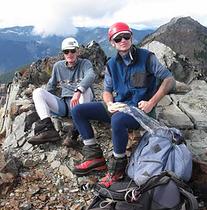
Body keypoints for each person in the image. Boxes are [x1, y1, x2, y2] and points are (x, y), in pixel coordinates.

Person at [71, 22, 175, 187]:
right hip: (119, 105)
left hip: (140, 110)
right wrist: (109, 103)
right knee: (78, 110)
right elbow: (107, 90)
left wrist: (151, 103)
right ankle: (95, 157)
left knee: (118, 120)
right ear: (112, 43)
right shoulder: (112, 64)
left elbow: (169, 79)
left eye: (126, 36)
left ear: (131, 37)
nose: (123, 40)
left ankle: (118, 168)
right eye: (118, 38)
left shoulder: (147, 58)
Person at [27, 37, 95, 145]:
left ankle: (74, 133)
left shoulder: (85, 63)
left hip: (82, 103)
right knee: (38, 92)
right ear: (63, 53)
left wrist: (78, 91)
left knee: (86, 91)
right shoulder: (58, 66)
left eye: (73, 51)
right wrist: (41, 103)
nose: (70, 54)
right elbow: (51, 87)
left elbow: (91, 75)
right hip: (65, 106)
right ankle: (49, 130)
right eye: (66, 51)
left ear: (77, 51)